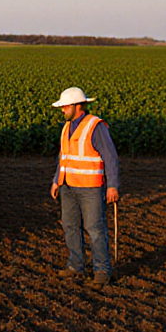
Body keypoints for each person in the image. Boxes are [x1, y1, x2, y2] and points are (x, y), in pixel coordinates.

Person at [49, 87, 120, 286]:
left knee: (95, 229)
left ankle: (102, 271)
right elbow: (63, 157)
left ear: (77, 106)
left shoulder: (95, 126)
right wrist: (56, 180)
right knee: (70, 226)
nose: (62, 110)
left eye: (65, 106)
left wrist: (113, 186)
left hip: (91, 188)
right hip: (67, 186)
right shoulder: (66, 127)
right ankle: (75, 266)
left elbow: (111, 157)